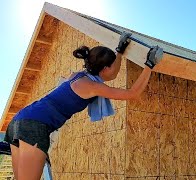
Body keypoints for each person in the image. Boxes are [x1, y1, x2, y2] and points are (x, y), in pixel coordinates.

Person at [4, 32, 163, 179]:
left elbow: (111, 73)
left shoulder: (78, 76)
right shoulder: (92, 86)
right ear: (105, 68)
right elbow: (132, 94)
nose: (114, 71)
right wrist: (149, 64)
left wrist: (119, 51)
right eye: (112, 65)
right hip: (34, 126)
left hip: (19, 120)